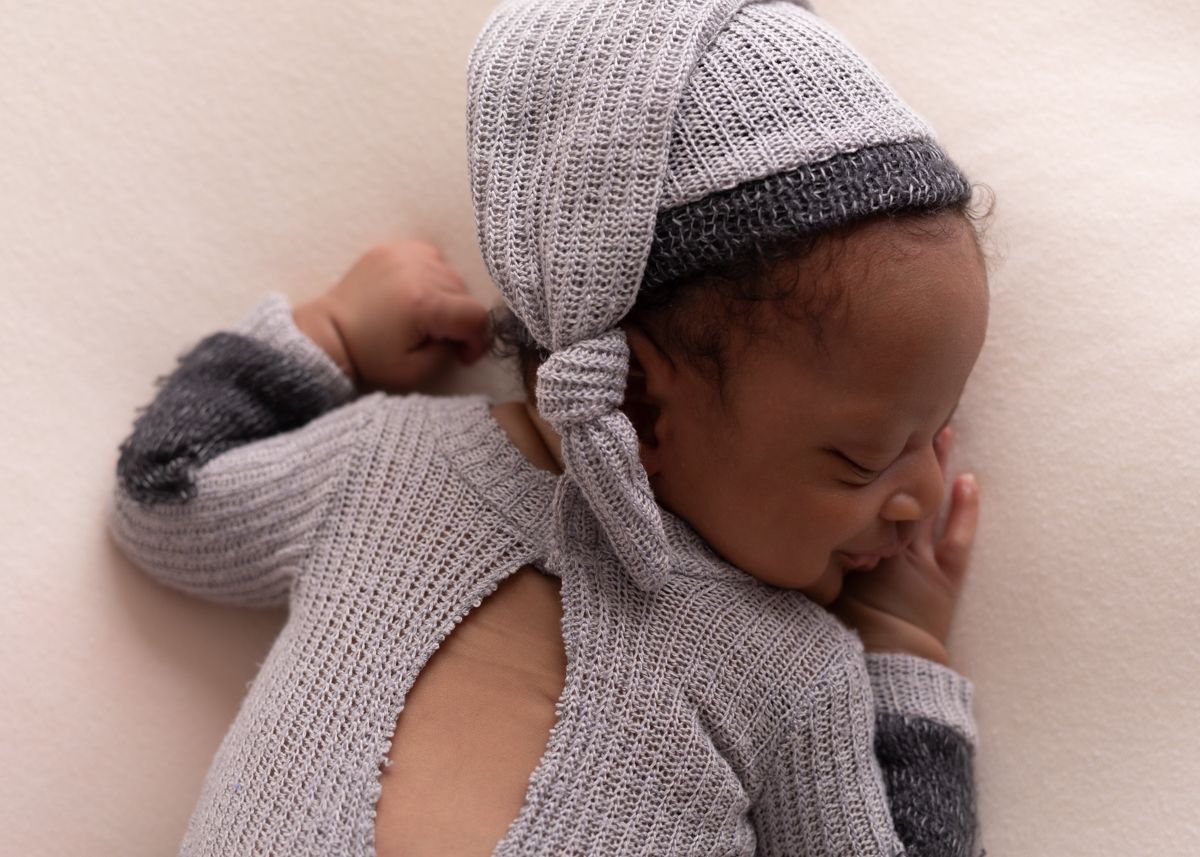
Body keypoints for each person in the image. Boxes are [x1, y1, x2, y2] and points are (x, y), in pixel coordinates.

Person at [110, 1, 990, 855]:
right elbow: (166, 498)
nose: (919, 494)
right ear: (643, 403)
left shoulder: (793, 673)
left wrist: (902, 648)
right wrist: (329, 335)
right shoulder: (385, 466)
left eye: (935, 435)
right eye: (861, 457)